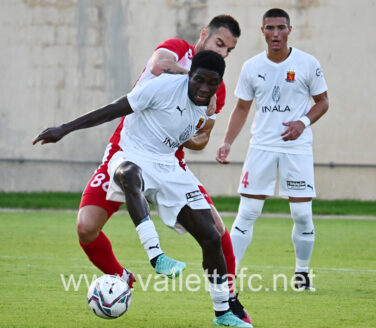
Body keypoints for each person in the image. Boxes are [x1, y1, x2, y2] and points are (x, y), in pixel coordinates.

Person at [33, 14, 251, 323]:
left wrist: (185, 128)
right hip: (129, 150)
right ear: (204, 35)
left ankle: (229, 304)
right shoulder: (179, 54)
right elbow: (158, 64)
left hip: (169, 162)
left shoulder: (217, 89)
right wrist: (195, 77)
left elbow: (200, 139)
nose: (223, 53)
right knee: (86, 227)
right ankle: (124, 276)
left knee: (215, 231)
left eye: (229, 50)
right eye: (219, 43)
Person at [216, 8, 329, 291]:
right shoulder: (252, 67)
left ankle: (301, 275)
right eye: (270, 28)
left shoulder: (307, 63)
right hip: (262, 147)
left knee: (302, 215)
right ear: (263, 31)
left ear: (289, 30)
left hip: (297, 148)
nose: (275, 33)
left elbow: (323, 101)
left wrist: (303, 123)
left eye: (281, 28)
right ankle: (231, 275)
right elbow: (242, 108)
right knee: (248, 211)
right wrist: (227, 142)